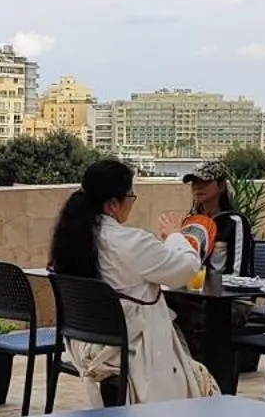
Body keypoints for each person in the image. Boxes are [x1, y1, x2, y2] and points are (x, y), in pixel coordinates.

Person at [49, 158, 219, 404]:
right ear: (113, 204)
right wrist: (175, 236)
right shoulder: (129, 242)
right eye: (130, 195)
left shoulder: (73, 240)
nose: (132, 201)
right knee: (201, 383)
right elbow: (185, 268)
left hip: (88, 344)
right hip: (131, 347)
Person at [183, 160, 254, 275]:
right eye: (194, 182)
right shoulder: (190, 222)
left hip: (223, 290)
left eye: (205, 181)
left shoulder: (235, 222)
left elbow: (238, 273)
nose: (197, 186)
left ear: (221, 186)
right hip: (192, 289)